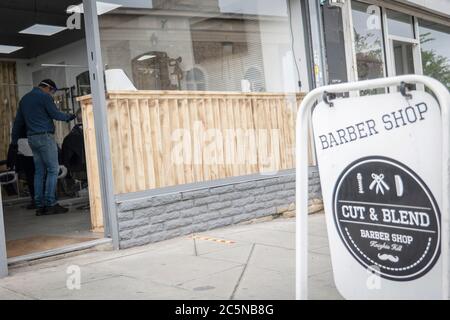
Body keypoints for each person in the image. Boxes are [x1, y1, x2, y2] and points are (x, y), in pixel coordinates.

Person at [10, 79, 76, 216]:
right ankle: (51, 204)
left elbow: (18, 123)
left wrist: (14, 141)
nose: (52, 94)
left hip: (31, 139)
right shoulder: (44, 97)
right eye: (53, 91)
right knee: (53, 170)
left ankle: (39, 205)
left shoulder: (24, 99)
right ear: (47, 88)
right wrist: (71, 116)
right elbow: (56, 114)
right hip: (45, 137)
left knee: (39, 172)